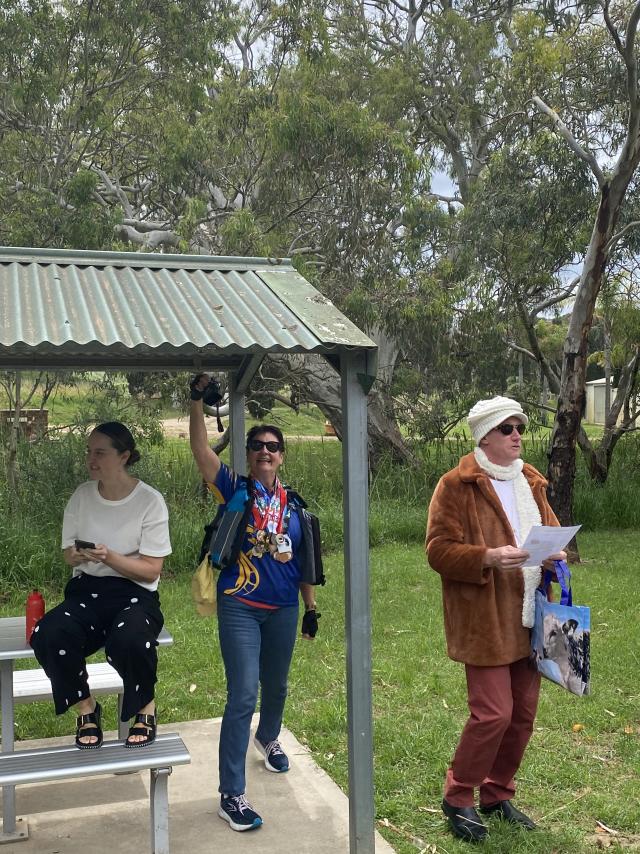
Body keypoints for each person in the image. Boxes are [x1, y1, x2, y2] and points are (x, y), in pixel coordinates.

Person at [426, 396, 565, 842]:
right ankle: (458, 795)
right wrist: (487, 556)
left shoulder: (531, 480)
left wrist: (555, 555)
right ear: (484, 435)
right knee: (493, 714)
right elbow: (437, 550)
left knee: (522, 715)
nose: (517, 435)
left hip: (531, 614)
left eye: (519, 427)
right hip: (484, 619)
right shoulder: (456, 484)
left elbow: (551, 533)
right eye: (507, 428)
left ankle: (497, 792)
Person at [189, 374, 323, 833]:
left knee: (277, 686)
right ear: (247, 454)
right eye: (257, 446)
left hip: (284, 608)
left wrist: (311, 608)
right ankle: (232, 794)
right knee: (244, 694)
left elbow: (304, 562)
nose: (265, 451)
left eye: (273, 446)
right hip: (240, 606)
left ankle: (268, 738)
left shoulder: (295, 505)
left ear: (282, 455)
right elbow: (201, 452)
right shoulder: (235, 488)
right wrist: (196, 402)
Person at [31, 422, 171, 750]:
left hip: (135, 595)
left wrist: (110, 557)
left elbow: (151, 571)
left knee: (132, 637)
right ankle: (87, 708)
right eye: (88, 452)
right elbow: (68, 554)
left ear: (124, 456)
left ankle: (145, 706)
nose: (91, 460)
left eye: (99, 453)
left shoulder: (150, 501)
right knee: (49, 633)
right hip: (86, 593)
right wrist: (78, 554)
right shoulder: (82, 496)